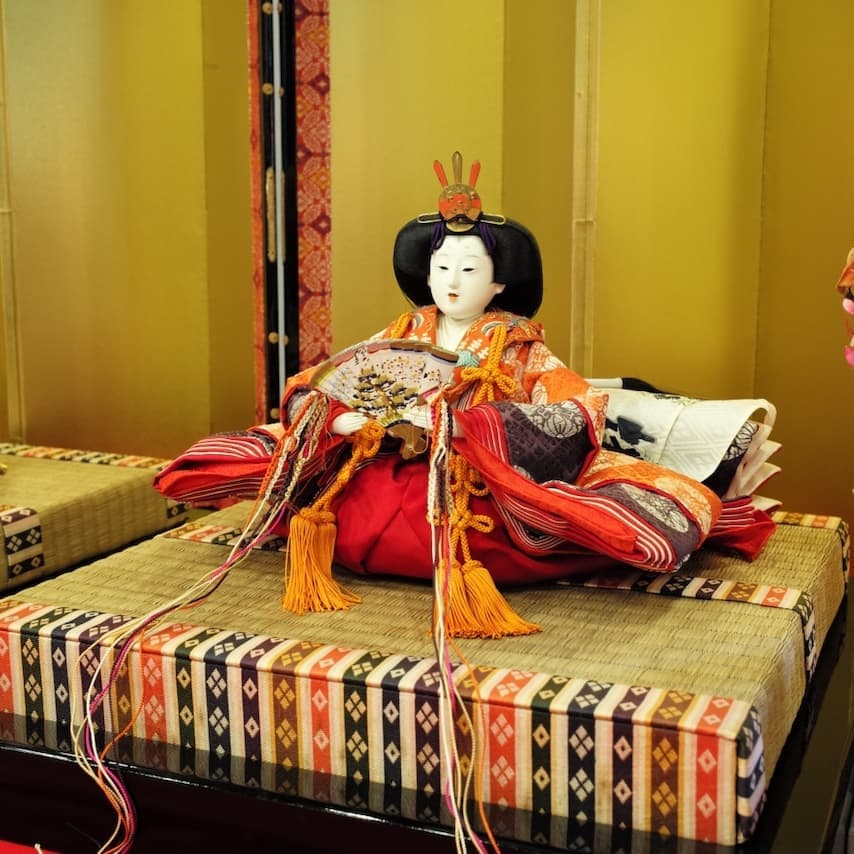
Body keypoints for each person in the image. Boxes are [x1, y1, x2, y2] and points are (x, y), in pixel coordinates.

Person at [155, 152, 772, 637]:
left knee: (587, 519)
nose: (452, 281)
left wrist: (473, 429)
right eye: (442, 268)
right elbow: (316, 383)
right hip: (384, 465)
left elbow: (578, 409)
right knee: (313, 485)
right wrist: (342, 420)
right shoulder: (401, 333)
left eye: (470, 270)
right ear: (424, 274)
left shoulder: (518, 345)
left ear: (499, 282)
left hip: (468, 484)